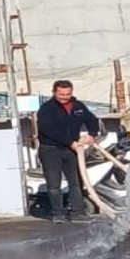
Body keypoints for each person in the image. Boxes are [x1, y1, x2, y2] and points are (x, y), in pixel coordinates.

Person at [36, 80, 100, 224]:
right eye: (61, 94)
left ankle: (78, 212)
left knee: (76, 182)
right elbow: (49, 130)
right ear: (54, 93)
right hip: (51, 150)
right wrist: (70, 142)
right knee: (54, 185)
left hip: (72, 150)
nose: (65, 97)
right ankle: (58, 213)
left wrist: (92, 134)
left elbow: (92, 120)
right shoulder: (47, 109)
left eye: (67, 94)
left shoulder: (78, 106)